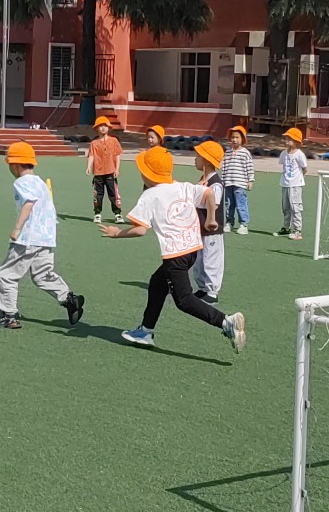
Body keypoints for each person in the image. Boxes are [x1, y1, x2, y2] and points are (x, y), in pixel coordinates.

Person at [99, 146, 246, 354]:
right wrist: (211, 218)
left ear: (148, 174)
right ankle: (146, 330)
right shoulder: (183, 186)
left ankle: (226, 322)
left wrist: (117, 233)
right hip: (192, 251)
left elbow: (140, 230)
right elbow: (208, 194)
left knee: (184, 300)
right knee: (157, 283)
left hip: (175, 256)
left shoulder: (150, 196)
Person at [0, 142, 84, 330]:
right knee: (42, 274)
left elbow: (29, 203)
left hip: (28, 238)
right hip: (46, 237)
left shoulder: (21, 182)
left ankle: (9, 316)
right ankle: (69, 299)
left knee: (6, 274)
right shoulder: (40, 182)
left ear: (15, 165)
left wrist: (17, 228)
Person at [192, 140, 226, 304]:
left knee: (211, 259)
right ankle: (202, 287)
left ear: (206, 161)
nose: (195, 159)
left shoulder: (215, 184)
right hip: (199, 228)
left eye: (198, 156)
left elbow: (214, 203)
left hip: (212, 230)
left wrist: (201, 192)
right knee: (199, 260)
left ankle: (212, 291)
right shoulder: (203, 180)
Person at [87, 116, 124, 224]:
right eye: (100, 126)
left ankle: (117, 214)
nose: (103, 128)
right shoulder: (94, 143)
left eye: (105, 126)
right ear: (96, 128)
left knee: (113, 193)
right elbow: (91, 155)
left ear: (108, 128)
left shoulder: (114, 141)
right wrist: (88, 166)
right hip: (98, 172)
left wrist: (117, 169)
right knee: (98, 194)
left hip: (110, 172)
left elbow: (117, 155)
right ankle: (97, 213)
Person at [274, 127, 308, 241]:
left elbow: (305, 169)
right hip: (285, 184)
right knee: (286, 207)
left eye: (289, 138)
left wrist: (298, 179)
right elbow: (283, 166)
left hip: (295, 185)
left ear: (296, 141)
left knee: (295, 207)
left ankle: (297, 230)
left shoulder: (299, 154)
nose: (286, 140)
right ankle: (286, 227)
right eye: (286, 138)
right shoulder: (284, 153)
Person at [221, 125, 254, 234]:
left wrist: (250, 180)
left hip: (240, 183)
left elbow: (249, 167)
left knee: (241, 204)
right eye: (232, 137)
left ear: (242, 139)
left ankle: (243, 224)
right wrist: (223, 180)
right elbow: (224, 167)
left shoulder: (245, 153)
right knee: (229, 204)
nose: (234, 140)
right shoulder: (227, 153)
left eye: (237, 137)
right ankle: (229, 223)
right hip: (228, 183)